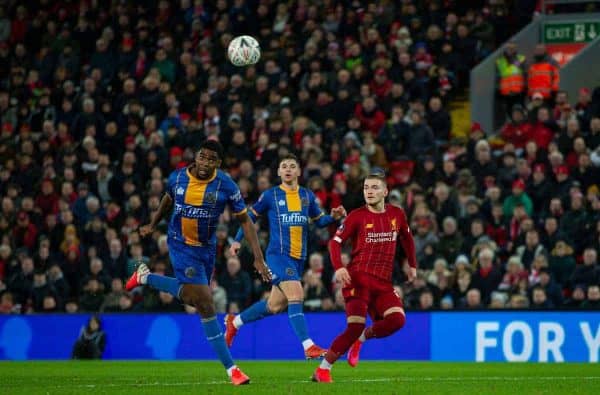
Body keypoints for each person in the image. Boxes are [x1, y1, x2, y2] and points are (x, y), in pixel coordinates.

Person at [125, 140, 271, 386]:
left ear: (218, 163)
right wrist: (153, 223)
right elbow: (167, 199)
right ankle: (232, 369)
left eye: (211, 159)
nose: (205, 163)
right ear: (196, 156)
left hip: (207, 250)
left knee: (193, 297)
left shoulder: (226, 185)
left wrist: (258, 257)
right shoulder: (178, 177)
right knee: (205, 302)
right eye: (202, 157)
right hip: (180, 245)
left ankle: (145, 277)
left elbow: (245, 221)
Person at [225, 154, 346, 359]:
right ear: (279, 172)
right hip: (278, 255)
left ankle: (234, 322)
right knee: (297, 294)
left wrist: (332, 217)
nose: (288, 169)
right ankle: (308, 346)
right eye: (284, 166)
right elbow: (249, 218)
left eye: (292, 166)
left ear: (298, 171)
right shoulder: (270, 195)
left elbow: (319, 221)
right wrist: (237, 240)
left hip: (298, 259)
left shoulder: (307, 196)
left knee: (274, 306)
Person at [312, 169, 417, 383]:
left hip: (383, 282)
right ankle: (323, 369)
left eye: (374, 187)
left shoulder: (397, 214)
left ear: (385, 191)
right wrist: (339, 266)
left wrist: (412, 264)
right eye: (366, 188)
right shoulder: (357, 216)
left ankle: (362, 338)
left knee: (397, 320)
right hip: (357, 280)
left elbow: (407, 238)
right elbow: (335, 242)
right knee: (354, 326)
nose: (369, 191)